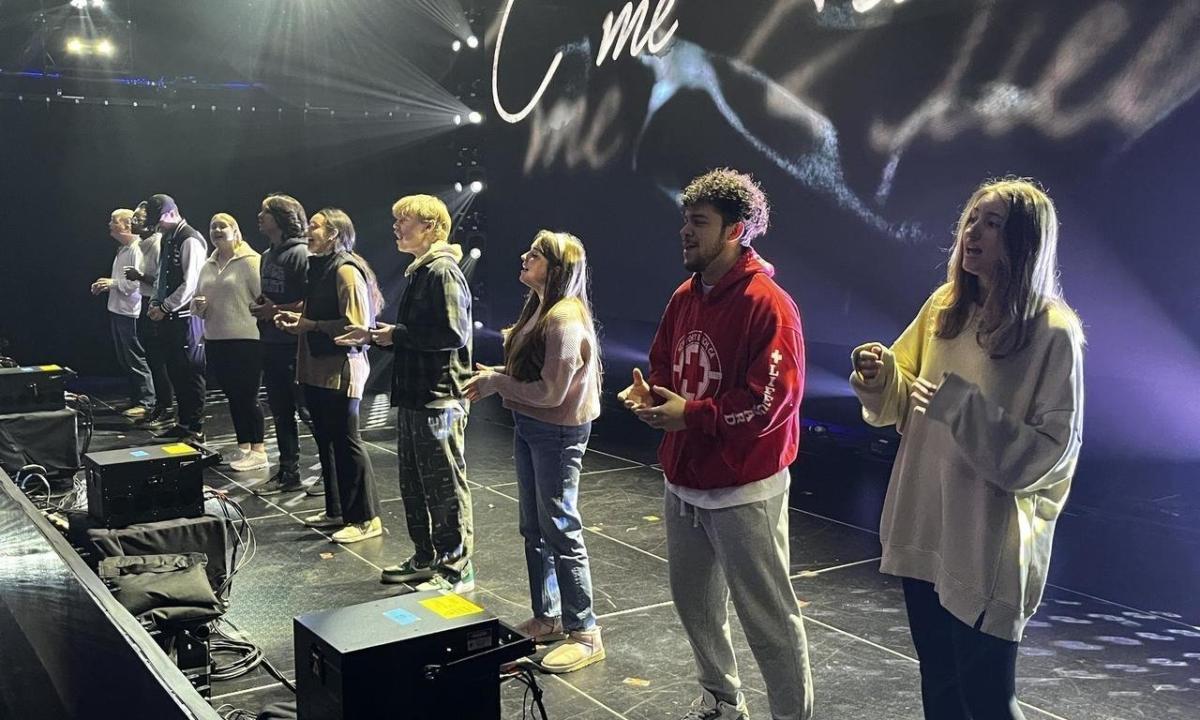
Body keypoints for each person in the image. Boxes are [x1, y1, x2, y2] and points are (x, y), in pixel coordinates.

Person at [850, 178, 1085, 720]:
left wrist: (966, 412)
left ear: (1025, 241)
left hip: (984, 544)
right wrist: (882, 372)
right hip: (925, 523)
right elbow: (905, 390)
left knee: (987, 702)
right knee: (940, 687)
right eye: (972, 218)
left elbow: (1055, 452)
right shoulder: (944, 307)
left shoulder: (1054, 332)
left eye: (993, 223)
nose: (972, 232)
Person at [619, 168, 813, 720]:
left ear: (737, 229)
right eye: (685, 219)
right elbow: (664, 363)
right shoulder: (685, 296)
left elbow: (771, 402)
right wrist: (652, 397)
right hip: (684, 482)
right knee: (696, 607)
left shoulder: (769, 304)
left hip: (743, 489)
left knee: (769, 620)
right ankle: (722, 702)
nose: (685, 231)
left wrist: (693, 414)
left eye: (698, 222)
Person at [464, 230, 604, 673]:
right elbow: (533, 376)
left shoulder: (564, 319)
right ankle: (549, 616)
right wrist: (498, 375)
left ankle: (584, 631)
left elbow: (550, 392)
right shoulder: (541, 309)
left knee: (560, 527)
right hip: (533, 425)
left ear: (557, 267)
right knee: (535, 528)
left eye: (536, 254)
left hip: (556, 431)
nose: (524, 257)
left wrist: (497, 383)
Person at [336, 194, 474, 592]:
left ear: (431, 227)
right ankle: (426, 557)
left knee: (444, 485)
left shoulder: (443, 271)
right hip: (417, 394)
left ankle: (455, 567)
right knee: (415, 482)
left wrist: (396, 334)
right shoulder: (423, 270)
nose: (396, 227)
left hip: (438, 397)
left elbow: (452, 333)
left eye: (404, 220)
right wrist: (383, 335)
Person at [275, 208, 383, 544]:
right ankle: (337, 510)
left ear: (334, 234)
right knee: (326, 440)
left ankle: (366, 518)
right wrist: (298, 323)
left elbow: (357, 327)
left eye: (315, 226)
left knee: (346, 442)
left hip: (341, 370)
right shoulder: (320, 268)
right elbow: (317, 316)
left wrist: (311, 326)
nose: (308, 231)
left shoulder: (346, 271)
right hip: (317, 369)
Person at [250, 193, 315, 495]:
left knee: (307, 411)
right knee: (280, 410)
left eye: (266, 212)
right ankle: (288, 472)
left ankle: (331, 472)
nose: (260, 216)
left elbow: (310, 303)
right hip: (271, 342)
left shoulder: (301, 254)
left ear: (281, 218)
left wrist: (273, 310)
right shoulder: (267, 254)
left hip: (295, 345)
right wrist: (263, 306)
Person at [192, 214, 267, 472]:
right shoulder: (207, 265)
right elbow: (195, 301)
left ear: (236, 230)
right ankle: (244, 445)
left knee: (247, 395)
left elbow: (264, 300)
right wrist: (198, 306)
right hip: (215, 338)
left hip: (246, 339)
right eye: (213, 226)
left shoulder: (251, 261)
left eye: (223, 226)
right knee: (232, 396)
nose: (217, 230)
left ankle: (259, 450)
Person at [145, 194, 208, 443]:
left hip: (185, 316)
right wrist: (154, 303)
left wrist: (166, 307)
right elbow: (161, 275)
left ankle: (195, 427)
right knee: (175, 370)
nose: (157, 227)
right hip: (169, 316)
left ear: (172, 213)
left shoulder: (189, 239)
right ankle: (183, 423)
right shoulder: (167, 238)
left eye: (159, 221)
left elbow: (191, 283)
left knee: (190, 371)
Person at [91, 208, 155, 417]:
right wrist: (106, 285)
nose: (110, 225)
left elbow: (135, 284)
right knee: (124, 358)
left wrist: (112, 283)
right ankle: (136, 397)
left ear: (128, 225)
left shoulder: (137, 249)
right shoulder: (123, 249)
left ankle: (147, 402)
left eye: (114, 221)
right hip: (118, 309)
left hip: (130, 312)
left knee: (135, 358)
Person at [126, 201, 174, 428]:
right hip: (145, 302)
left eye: (137, 219)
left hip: (157, 303)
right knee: (152, 357)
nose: (132, 222)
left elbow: (162, 281)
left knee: (158, 358)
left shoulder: (157, 244)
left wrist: (139, 276)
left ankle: (166, 407)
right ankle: (159, 404)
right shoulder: (141, 244)